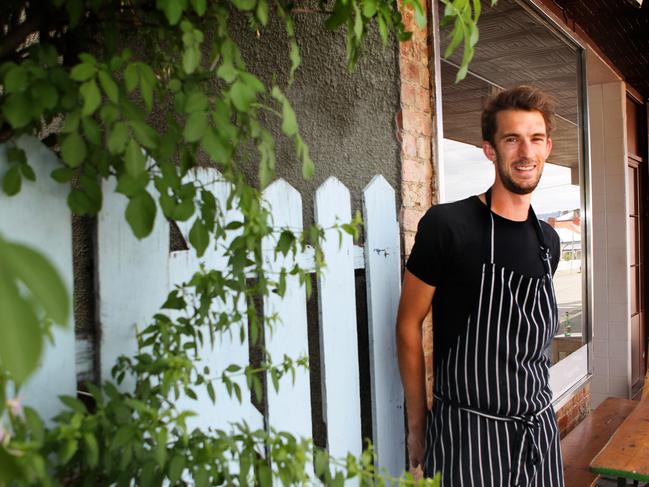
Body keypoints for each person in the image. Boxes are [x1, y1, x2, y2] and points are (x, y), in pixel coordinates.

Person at [396, 85, 564, 486]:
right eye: (512, 139)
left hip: (538, 434)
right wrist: (418, 426)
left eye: (535, 139)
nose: (525, 153)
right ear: (490, 150)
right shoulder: (448, 226)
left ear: (547, 147)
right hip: (468, 439)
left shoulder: (548, 242)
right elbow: (407, 326)